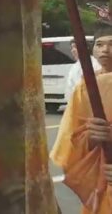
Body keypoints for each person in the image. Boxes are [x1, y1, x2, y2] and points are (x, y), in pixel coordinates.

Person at [51, 26, 112, 213]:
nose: (105, 50)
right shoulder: (86, 86)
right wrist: (93, 137)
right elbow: (73, 136)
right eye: (99, 44)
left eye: (111, 44)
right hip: (102, 179)